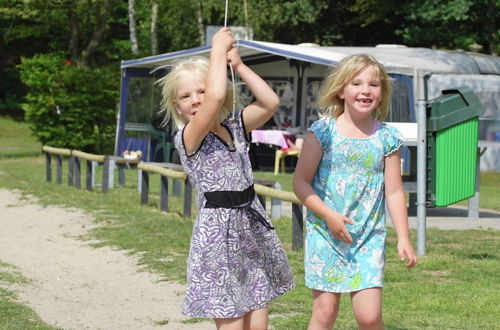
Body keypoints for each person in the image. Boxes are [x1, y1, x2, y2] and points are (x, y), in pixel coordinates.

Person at [157, 27, 294, 330]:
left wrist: (239, 65)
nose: (196, 99)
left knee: (258, 322)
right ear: (177, 105)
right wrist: (216, 50)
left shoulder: (235, 125)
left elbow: (270, 102)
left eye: (202, 90)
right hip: (218, 238)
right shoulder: (189, 136)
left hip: (250, 226)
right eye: (186, 95)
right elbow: (215, 98)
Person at [293, 54, 417, 330]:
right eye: (356, 83)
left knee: (369, 316)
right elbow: (300, 183)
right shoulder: (322, 132)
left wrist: (404, 238)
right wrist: (328, 215)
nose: (365, 90)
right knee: (325, 313)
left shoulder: (387, 137)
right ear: (341, 89)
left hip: (368, 239)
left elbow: (394, 193)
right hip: (325, 234)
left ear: (382, 92)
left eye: (373, 84)